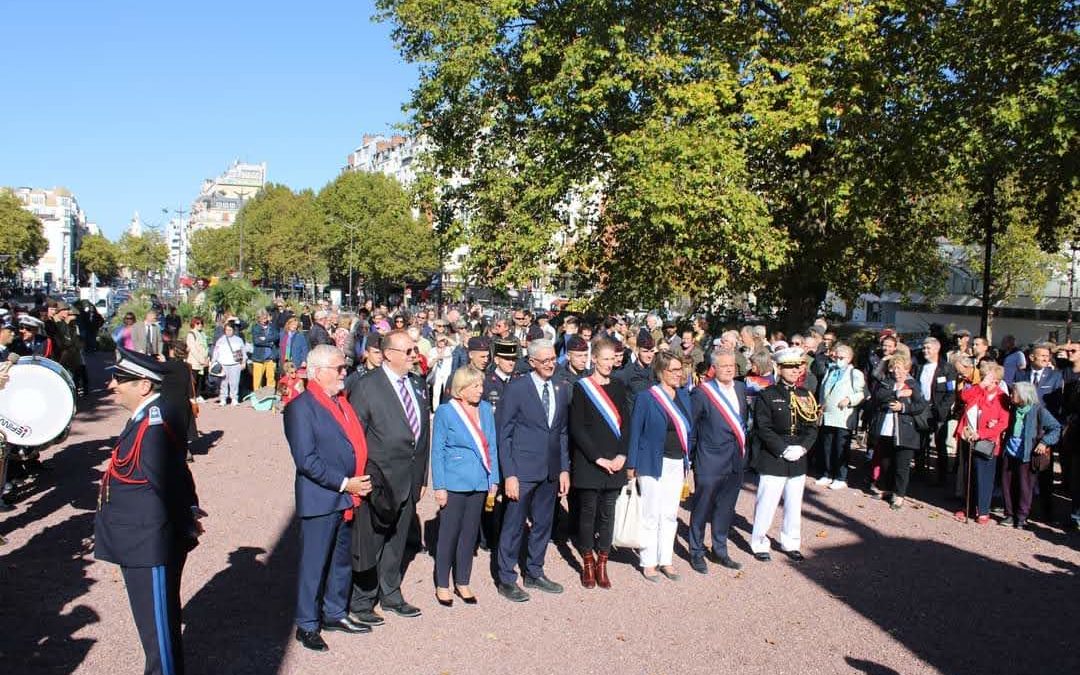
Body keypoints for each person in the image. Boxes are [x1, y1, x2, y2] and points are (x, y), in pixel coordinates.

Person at [94, 347, 203, 674]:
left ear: (144, 386)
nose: (112, 385)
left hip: (148, 544)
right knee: (156, 630)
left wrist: (185, 520)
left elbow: (165, 483)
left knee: (159, 637)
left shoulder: (152, 424)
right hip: (139, 541)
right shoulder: (146, 417)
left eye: (120, 379)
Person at [284, 345, 373, 651]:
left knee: (340, 560)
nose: (344, 373)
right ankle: (307, 624)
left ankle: (335, 612)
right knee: (314, 564)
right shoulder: (300, 408)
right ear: (319, 372)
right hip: (323, 497)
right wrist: (345, 483)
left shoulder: (340, 402)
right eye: (338, 369)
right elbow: (306, 460)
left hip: (347, 497)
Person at [347, 329, 431, 622]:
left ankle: (391, 594)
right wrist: (360, 478)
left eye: (414, 350)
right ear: (389, 354)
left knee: (397, 540)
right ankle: (362, 600)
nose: (414, 355)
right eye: (408, 351)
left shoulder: (418, 384)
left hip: (409, 478)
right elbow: (355, 437)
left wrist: (422, 476)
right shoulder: (366, 386)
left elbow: (423, 435)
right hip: (378, 479)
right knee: (371, 541)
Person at [494, 338, 570, 602]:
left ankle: (534, 571)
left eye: (553, 360)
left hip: (550, 469)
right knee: (513, 525)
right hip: (522, 470)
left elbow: (561, 431)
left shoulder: (560, 387)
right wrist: (510, 474)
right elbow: (504, 434)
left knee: (542, 524)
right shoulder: (517, 388)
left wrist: (563, 469)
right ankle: (506, 577)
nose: (551, 365)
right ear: (532, 361)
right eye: (545, 361)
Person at [430, 366, 500, 606]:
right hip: (453, 481)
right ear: (461, 389)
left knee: (469, 535)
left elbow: (491, 446)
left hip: (480, 480)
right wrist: (439, 486)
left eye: (481, 385)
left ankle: (463, 581)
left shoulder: (485, 410)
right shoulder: (446, 411)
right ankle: (442, 583)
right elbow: (437, 451)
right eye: (475, 386)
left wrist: (494, 480)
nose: (481, 390)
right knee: (449, 534)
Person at [627, 350, 692, 581]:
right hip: (651, 462)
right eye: (673, 370)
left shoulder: (684, 396)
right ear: (661, 372)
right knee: (651, 513)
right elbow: (635, 432)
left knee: (670, 513)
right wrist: (631, 464)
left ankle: (666, 559)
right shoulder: (647, 397)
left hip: (676, 462)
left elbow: (688, 431)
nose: (678, 374)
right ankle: (648, 561)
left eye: (679, 369)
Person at [569, 339, 629, 589]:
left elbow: (627, 423)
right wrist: (598, 458)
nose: (609, 364)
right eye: (604, 359)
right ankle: (587, 561)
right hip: (590, 461)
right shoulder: (582, 388)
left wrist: (622, 455)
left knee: (608, 514)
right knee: (588, 513)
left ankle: (602, 561)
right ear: (594, 359)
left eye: (612, 359)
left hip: (615, 461)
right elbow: (577, 427)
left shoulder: (619, 386)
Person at [750, 347, 818, 562]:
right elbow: (763, 427)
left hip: (798, 455)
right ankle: (759, 542)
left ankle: (791, 542)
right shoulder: (767, 395)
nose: (794, 370)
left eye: (797, 367)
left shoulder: (805, 395)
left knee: (793, 503)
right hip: (774, 455)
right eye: (788, 367)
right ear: (779, 369)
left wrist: (803, 447)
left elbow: (812, 426)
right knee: (767, 502)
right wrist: (782, 449)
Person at [687, 350, 747, 573]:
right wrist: (690, 460)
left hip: (735, 459)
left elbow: (742, 423)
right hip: (709, 460)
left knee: (726, 507)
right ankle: (696, 551)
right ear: (714, 369)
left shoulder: (740, 388)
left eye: (732, 365)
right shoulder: (702, 393)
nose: (730, 369)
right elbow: (691, 428)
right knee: (702, 507)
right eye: (724, 366)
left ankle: (720, 550)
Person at [868, 354, 928, 510]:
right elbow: (878, 397)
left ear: (907, 369)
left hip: (905, 430)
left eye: (900, 368)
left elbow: (921, 405)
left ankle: (899, 495)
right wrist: (895, 394)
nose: (896, 371)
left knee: (902, 465)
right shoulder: (887, 383)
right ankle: (887, 488)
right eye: (894, 367)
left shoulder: (913, 384)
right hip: (886, 428)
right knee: (886, 462)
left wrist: (904, 408)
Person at [1000, 381, 1061, 529]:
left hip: (1027, 454)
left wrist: (1044, 442)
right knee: (1007, 484)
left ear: (1023, 395)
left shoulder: (1039, 411)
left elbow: (1055, 428)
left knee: (1025, 486)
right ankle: (1009, 514)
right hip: (1010, 451)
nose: (1011, 395)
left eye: (1014, 392)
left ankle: (1021, 516)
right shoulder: (1014, 408)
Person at [954, 361, 1009, 524]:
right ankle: (968, 506)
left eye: (987, 378)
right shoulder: (977, 391)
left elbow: (1003, 422)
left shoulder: (1002, 397)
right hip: (968, 436)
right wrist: (980, 386)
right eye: (983, 376)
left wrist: (982, 433)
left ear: (996, 381)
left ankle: (983, 510)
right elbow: (964, 396)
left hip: (987, 441)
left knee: (984, 476)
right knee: (968, 473)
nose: (983, 380)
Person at [817, 343, 865, 490]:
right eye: (835, 356)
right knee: (826, 446)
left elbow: (861, 393)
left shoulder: (855, 373)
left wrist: (849, 400)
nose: (837, 359)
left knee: (840, 448)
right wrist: (820, 404)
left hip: (843, 416)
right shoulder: (830, 370)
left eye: (841, 357)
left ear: (849, 358)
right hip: (827, 414)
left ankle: (840, 476)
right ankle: (827, 473)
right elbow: (824, 389)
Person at [211, 321, 246, 406]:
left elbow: (242, 352)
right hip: (223, 364)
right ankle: (223, 399)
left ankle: (234, 398)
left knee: (234, 382)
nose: (228, 332)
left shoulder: (238, 340)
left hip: (235, 364)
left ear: (233, 330)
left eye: (230, 330)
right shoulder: (220, 340)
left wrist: (243, 362)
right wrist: (213, 361)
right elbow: (216, 352)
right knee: (223, 383)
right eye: (227, 330)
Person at [250, 309, 279, 391]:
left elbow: (277, 336)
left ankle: (270, 395)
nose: (264, 320)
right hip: (259, 358)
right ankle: (257, 396)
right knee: (257, 380)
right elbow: (256, 341)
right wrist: (269, 343)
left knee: (271, 378)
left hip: (271, 357)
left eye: (265, 318)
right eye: (262, 318)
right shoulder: (255, 328)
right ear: (258, 318)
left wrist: (265, 339)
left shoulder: (272, 326)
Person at [185, 318, 210, 401]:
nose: (200, 325)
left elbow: (206, 347)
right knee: (193, 380)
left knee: (200, 379)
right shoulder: (191, 334)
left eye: (201, 323)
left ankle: (198, 395)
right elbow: (193, 349)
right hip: (194, 361)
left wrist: (207, 359)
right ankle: (191, 396)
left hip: (203, 360)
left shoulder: (203, 334)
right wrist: (201, 360)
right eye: (198, 323)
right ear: (194, 324)